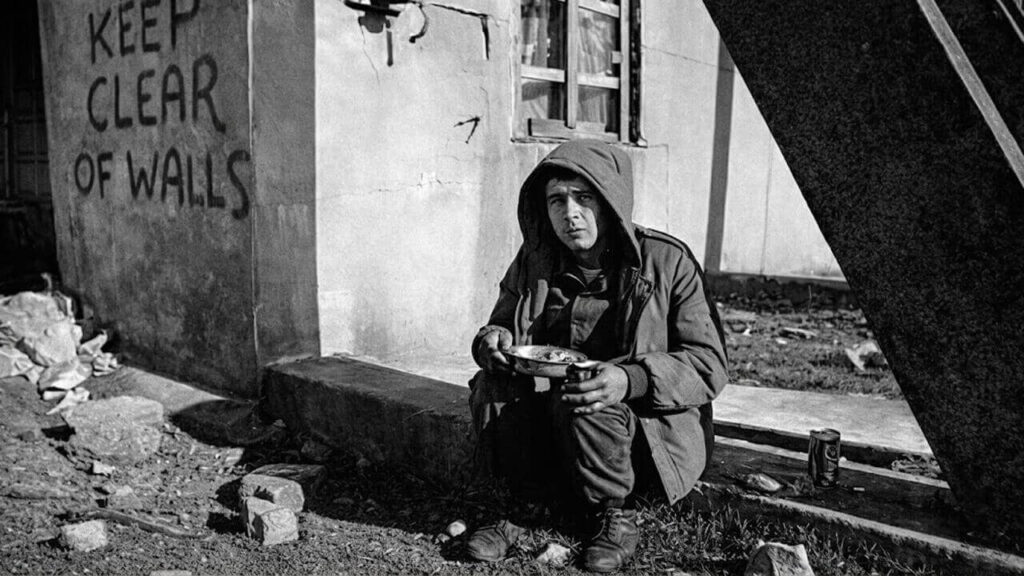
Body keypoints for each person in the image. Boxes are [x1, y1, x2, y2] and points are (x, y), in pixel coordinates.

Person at [466, 140, 729, 572]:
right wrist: (493, 341)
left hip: (644, 429)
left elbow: (708, 364)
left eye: (583, 197)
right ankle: (525, 504)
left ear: (610, 201)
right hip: (560, 421)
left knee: (585, 395)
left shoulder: (668, 261)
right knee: (495, 384)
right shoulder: (536, 259)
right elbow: (502, 323)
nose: (569, 213)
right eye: (556, 200)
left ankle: (615, 515)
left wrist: (630, 379)